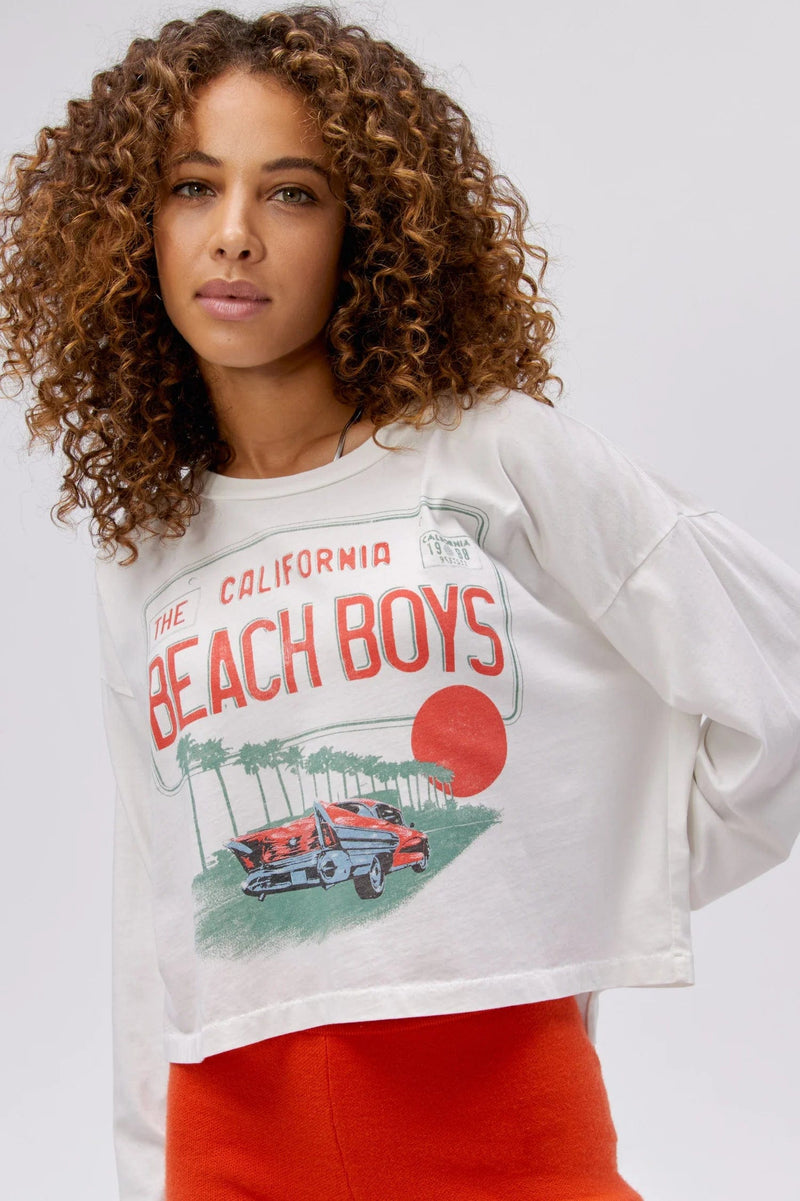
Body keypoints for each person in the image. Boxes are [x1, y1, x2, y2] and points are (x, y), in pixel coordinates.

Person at [2, 6, 800, 1200]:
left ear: (365, 228)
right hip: (229, 1150)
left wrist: (567, 885)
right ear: (133, 227)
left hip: (502, 1131)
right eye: (191, 188)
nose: (233, 234)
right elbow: (156, 904)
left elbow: (775, 680)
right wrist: (140, 1172)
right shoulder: (153, 544)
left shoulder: (494, 455)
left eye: (290, 193)